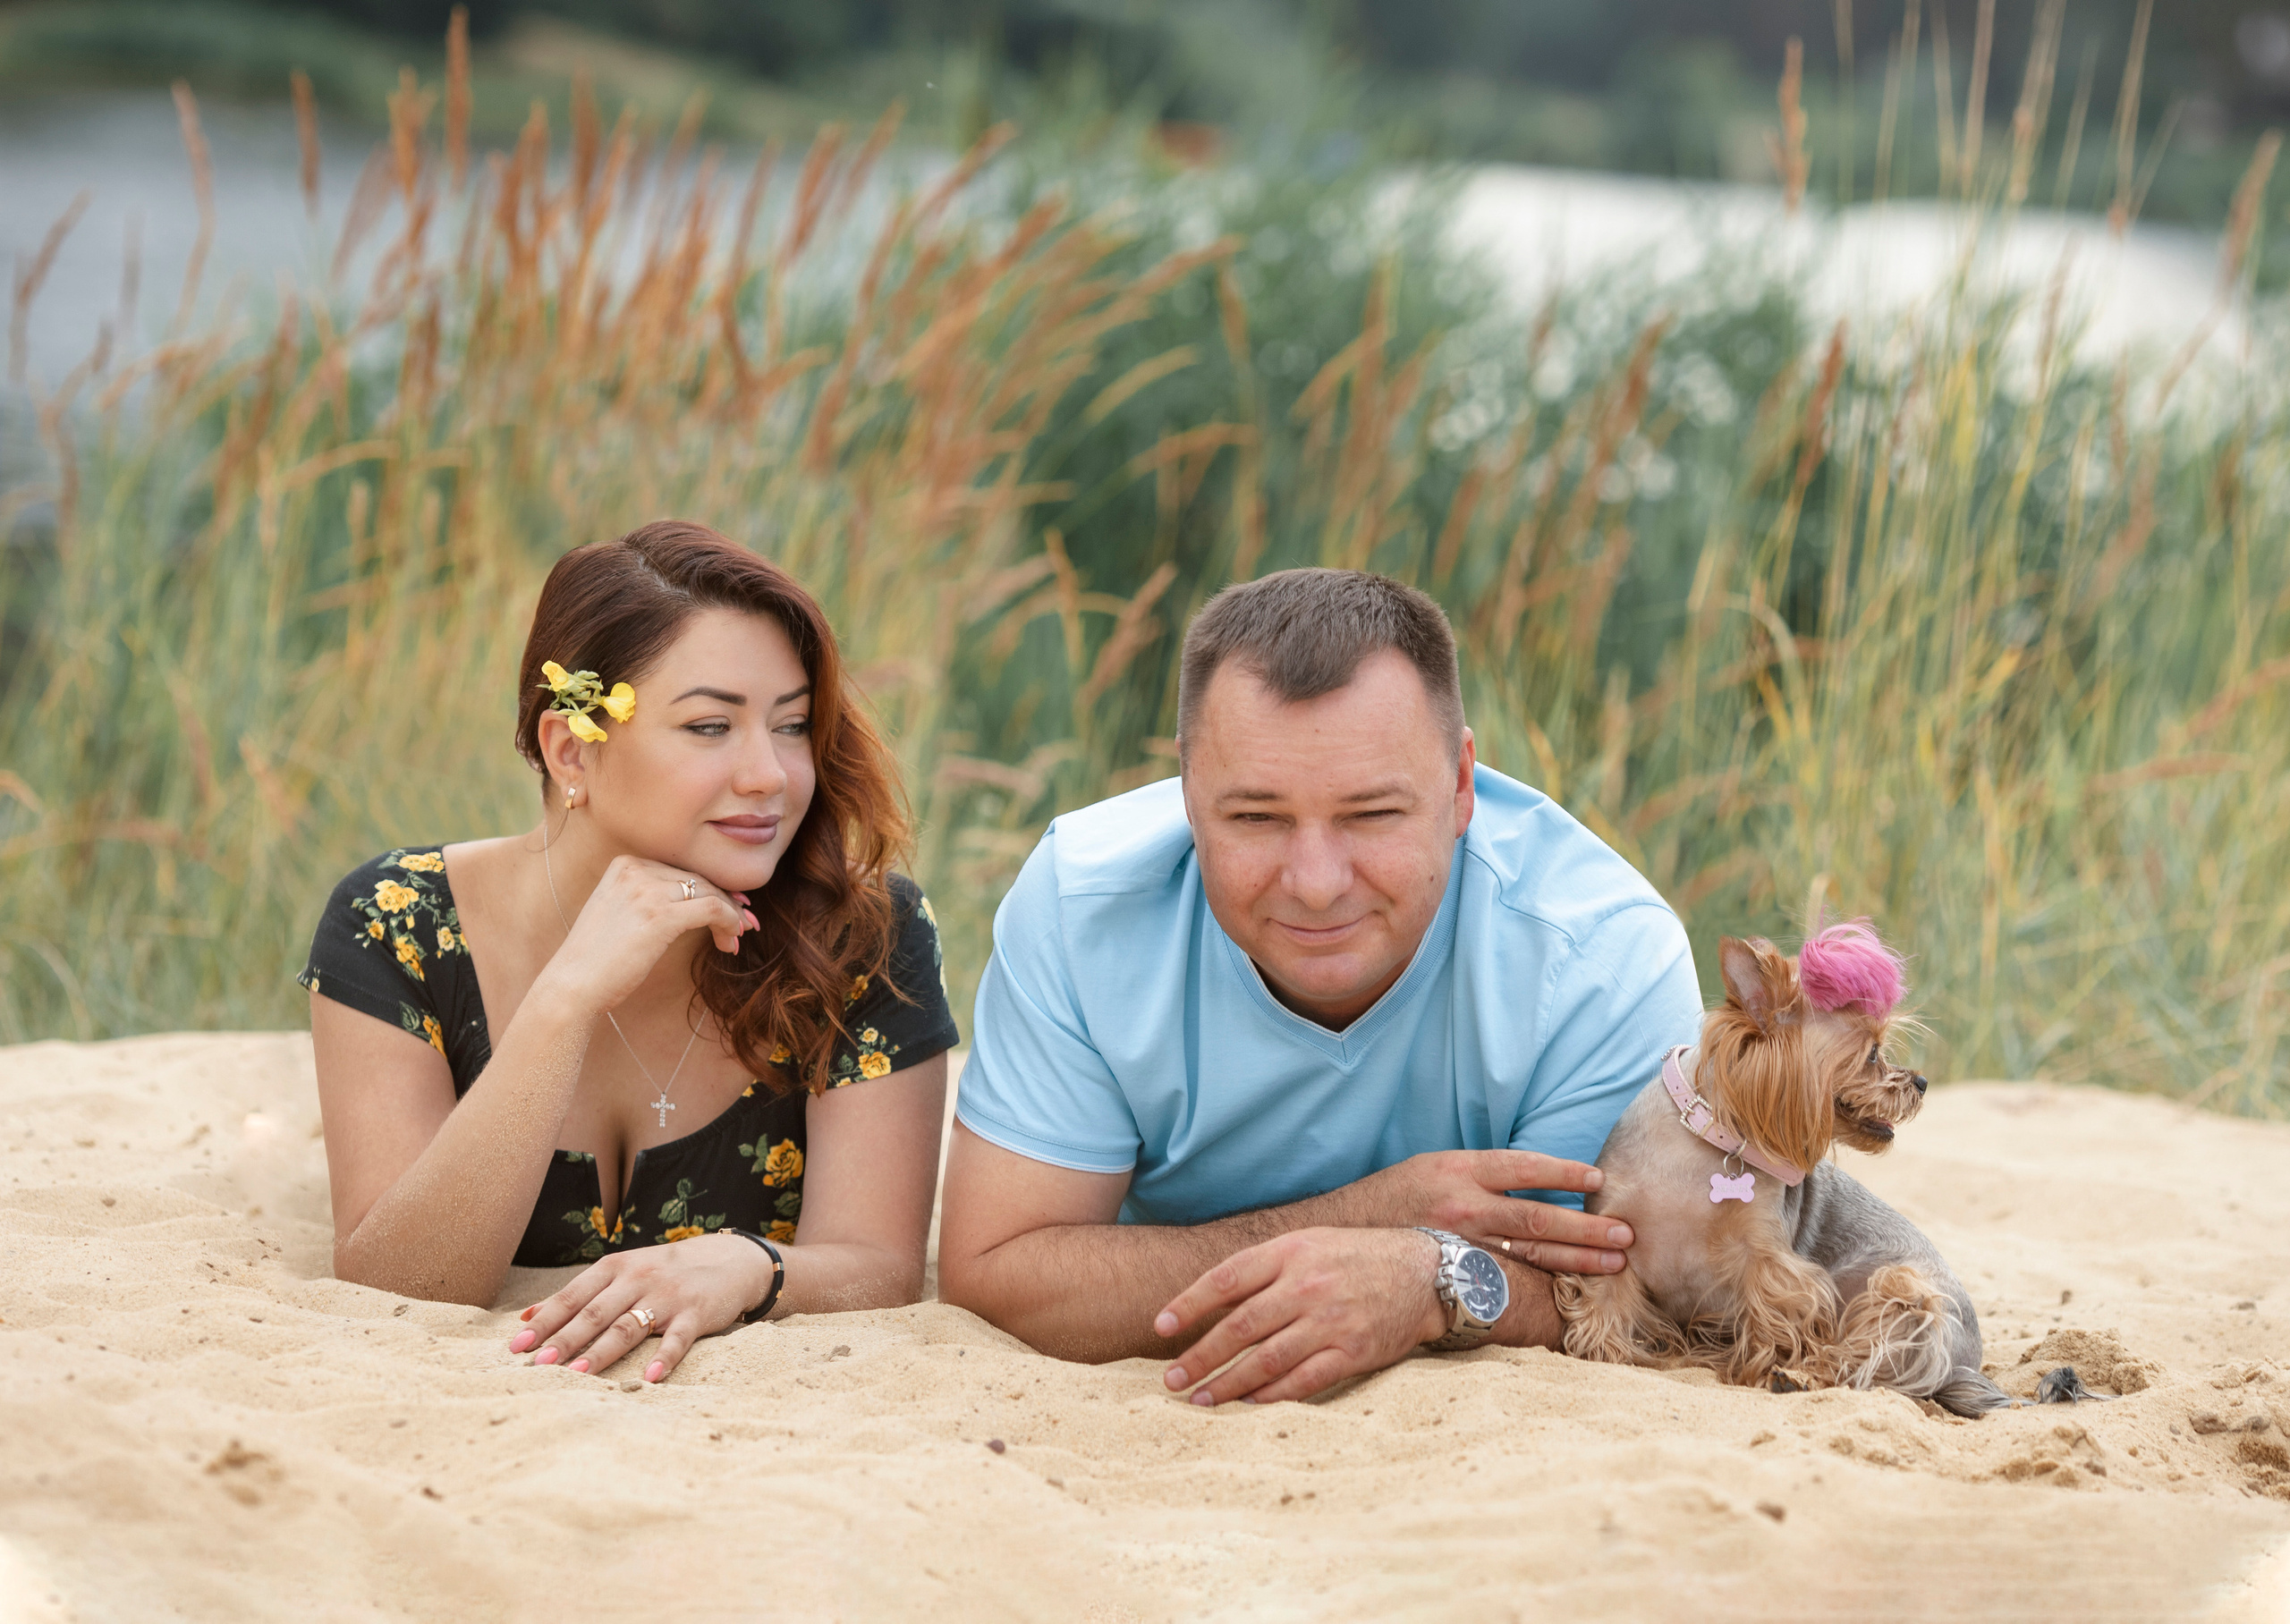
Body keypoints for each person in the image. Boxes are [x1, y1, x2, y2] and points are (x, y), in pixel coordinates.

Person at [938, 568, 1701, 1404]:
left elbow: (1650, 1292)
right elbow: (997, 1276)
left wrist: (1430, 1283)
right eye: (1256, 818)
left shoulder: (1603, 957)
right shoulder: (1077, 907)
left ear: (1460, 786)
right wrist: (1372, 1216)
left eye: (1371, 815)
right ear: (1187, 791)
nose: (1315, 883)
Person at [302, 520, 957, 1384]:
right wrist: (567, 995)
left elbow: (878, 1264)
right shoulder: (397, 923)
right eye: (710, 726)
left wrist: (751, 1267)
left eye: (793, 725)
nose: (770, 774)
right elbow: (403, 1286)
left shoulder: (860, 934)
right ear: (571, 749)